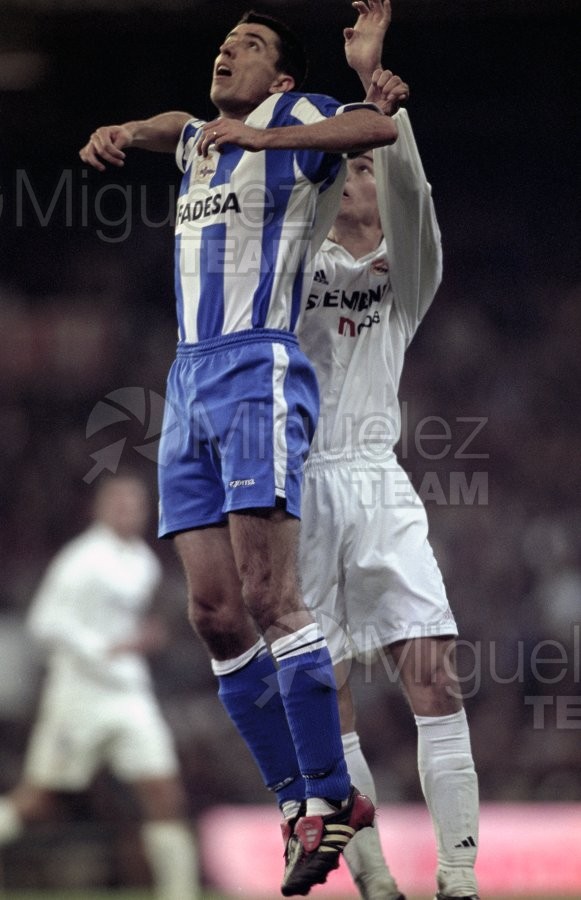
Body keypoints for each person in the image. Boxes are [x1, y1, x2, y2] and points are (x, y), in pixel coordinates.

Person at [80, 9, 405, 896]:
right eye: (224, 42)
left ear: (283, 79)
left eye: (249, 45)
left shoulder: (296, 127)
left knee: (272, 596)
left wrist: (257, 140)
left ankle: (330, 796)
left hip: (257, 364)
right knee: (214, 615)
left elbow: (374, 126)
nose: (226, 51)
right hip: (186, 380)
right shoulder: (197, 138)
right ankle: (299, 797)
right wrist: (121, 131)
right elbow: (167, 127)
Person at [296, 3, 481, 899]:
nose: (359, 177)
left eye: (365, 165)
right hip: (295, 492)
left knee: (433, 676)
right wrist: (321, 133)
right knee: (324, 702)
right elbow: (304, 189)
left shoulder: (405, 283)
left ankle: (457, 878)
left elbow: (415, 201)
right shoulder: (291, 268)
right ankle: (374, 884)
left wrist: (382, 105)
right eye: (348, 165)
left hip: (376, 481)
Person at [0, 474, 200, 900]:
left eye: (136, 504)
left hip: (129, 694)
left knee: (164, 793)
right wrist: (104, 650)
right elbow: (43, 621)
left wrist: (145, 640)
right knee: (39, 801)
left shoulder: (142, 561)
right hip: (78, 695)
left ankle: (180, 893)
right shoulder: (82, 560)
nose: (129, 511)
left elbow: (128, 629)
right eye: (120, 503)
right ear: (100, 509)